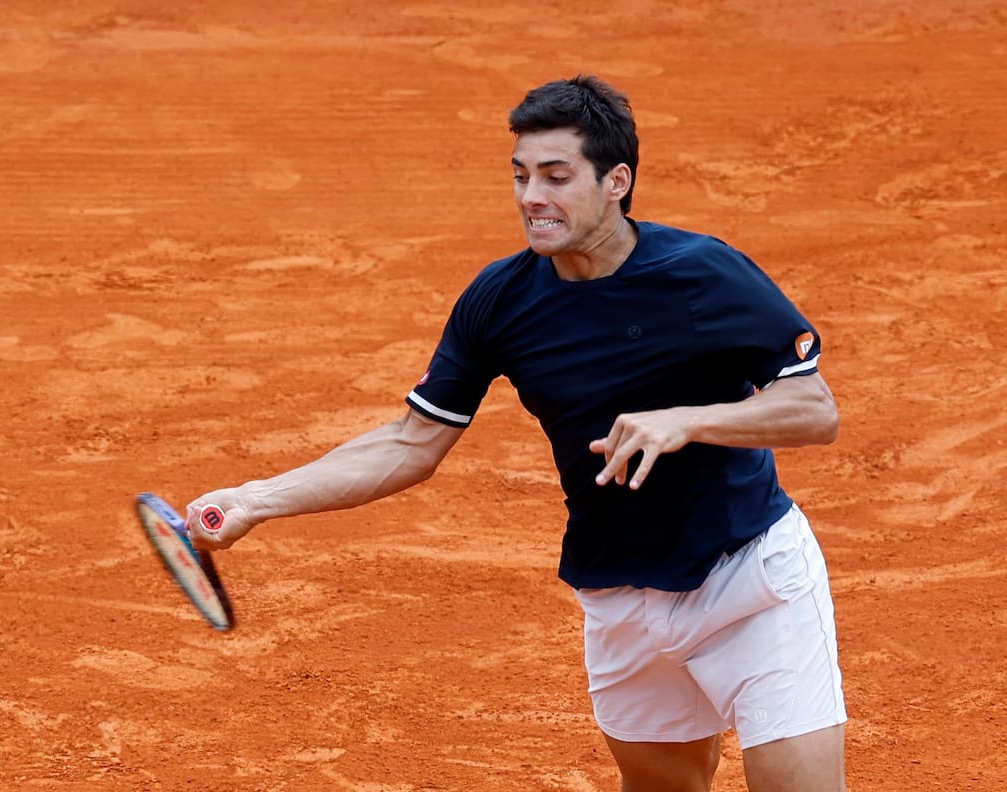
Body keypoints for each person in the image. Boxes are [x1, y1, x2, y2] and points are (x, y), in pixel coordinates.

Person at [186, 75, 847, 792]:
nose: (532, 196)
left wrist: (688, 420)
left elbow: (814, 409)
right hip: (619, 595)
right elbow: (411, 443)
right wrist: (254, 499)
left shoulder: (701, 274)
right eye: (521, 176)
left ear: (617, 182)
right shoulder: (500, 302)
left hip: (747, 578)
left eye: (557, 177)